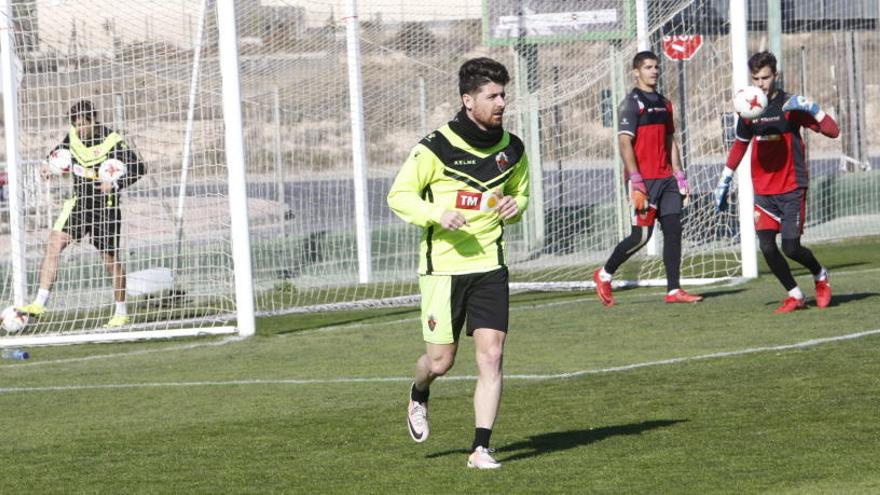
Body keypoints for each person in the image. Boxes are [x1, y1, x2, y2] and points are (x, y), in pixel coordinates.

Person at [387, 57, 529, 470]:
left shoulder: (513, 148)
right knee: (440, 362)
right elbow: (400, 196)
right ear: (469, 100)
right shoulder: (435, 147)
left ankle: (481, 448)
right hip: (443, 270)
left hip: (490, 265)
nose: (502, 102)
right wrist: (436, 214)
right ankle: (418, 393)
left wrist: (512, 205)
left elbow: (521, 195)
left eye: (504, 94)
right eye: (493, 95)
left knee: (491, 355)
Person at [715, 51, 839, 313]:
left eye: (766, 77)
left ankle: (820, 274)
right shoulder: (748, 106)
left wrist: (814, 109)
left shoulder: (790, 106)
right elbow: (740, 145)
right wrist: (725, 177)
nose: (760, 83)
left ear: (776, 76)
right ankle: (795, 294)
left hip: (792, 186)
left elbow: (833, 131)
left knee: (791, 247)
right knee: (768, 247)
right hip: (764, 191)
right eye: (756, 78)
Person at [17, 100, 145, 327]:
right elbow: (57, 154)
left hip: (105, 205)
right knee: (54, 243)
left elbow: (139, 168)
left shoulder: (112, 140)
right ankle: (39, 302)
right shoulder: (73, 137)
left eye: (83, 125)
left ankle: (120, 312)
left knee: (109, 259)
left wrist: (115, 184)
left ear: (93, 120)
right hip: (78, 204)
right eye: (76, 125)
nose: (80, 130)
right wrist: (48, 165)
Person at [593, 51, 703, 307]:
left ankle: (674, 289)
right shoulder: (631, 103)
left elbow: (669, 140)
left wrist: (679, 174)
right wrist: (636, 179)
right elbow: (624, 143)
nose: (654, 71)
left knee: (674, 231)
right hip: (644, 181)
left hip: (667, 179)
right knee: (641, 236)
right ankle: (604, 274)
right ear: (636, 72)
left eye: (655, 67)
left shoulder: (665, 103)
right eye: (648, 67)